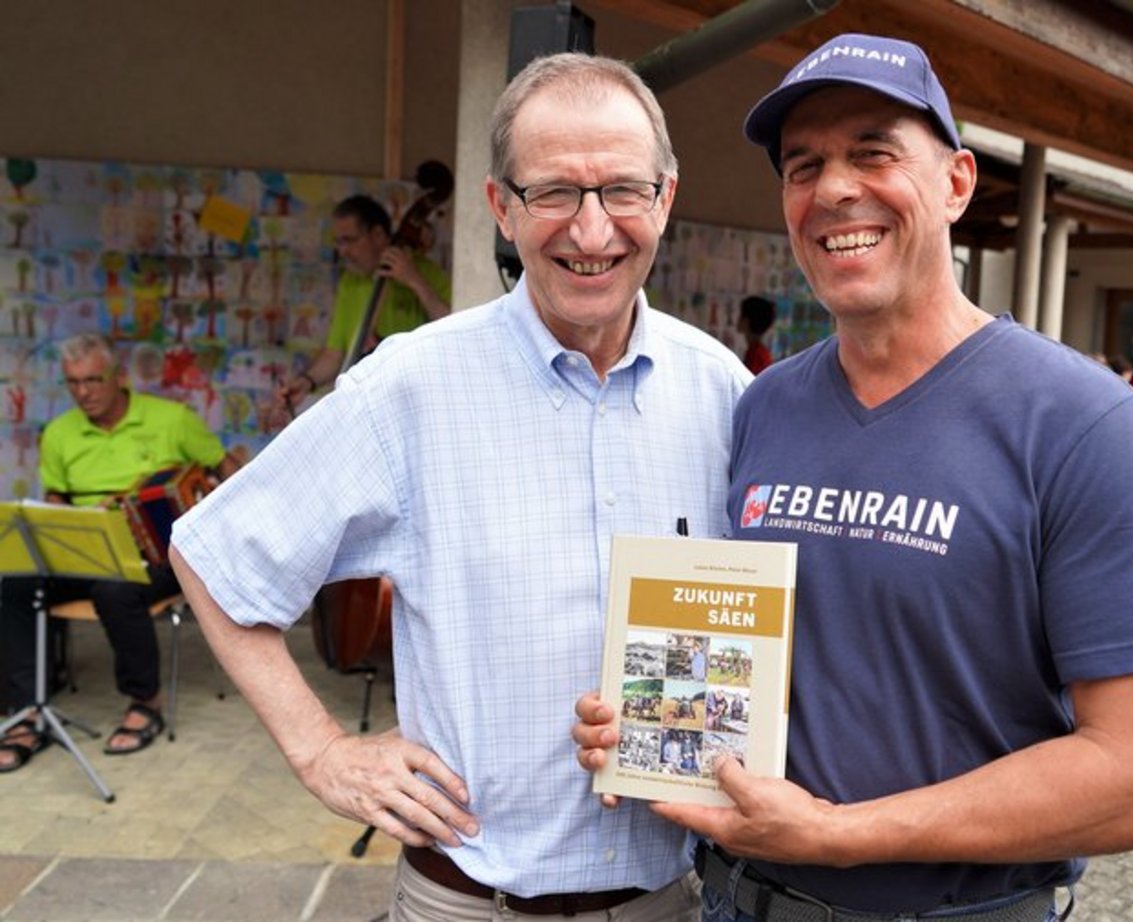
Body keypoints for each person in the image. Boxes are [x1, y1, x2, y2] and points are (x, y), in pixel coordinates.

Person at [576, 33, 1133, 921]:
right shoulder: (765, 406)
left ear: (956, 183)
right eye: (804, 166)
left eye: (873, 152)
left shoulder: (1082, 422)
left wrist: (841, 832)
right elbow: (769, 664)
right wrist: (655, 720)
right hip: (734, 902)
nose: (834, 188)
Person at [169, 52, 749, 921]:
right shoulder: (412, 386)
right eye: (553, 192)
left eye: (623, 191)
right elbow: (213, 555)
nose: (592, 232)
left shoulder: (725, 392)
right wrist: (322, 750)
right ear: (500, 209)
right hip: (468, 904)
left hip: (664, 901)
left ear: (665, 199)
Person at [0, 334, 241, 771]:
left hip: (159, 551)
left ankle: (144, 703)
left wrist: (210, 506)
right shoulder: (58, 433)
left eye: (93, 380)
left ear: (119, 377)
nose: (83, 392)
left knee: (115, 591)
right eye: (73, 383)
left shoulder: (172, 419)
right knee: (13, 584)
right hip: (86, 545)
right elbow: (56, 496)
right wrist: (67, 519)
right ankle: (26, 712)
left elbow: (228, 472)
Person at [276, 194, 451, 407]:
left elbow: (453, 330)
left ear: (377, 235)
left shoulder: (427, 273)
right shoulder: (350, 282)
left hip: (415, 402)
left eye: (349, 240)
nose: (343, 251)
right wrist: (306, 382)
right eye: (339, 242)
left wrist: (415, 281)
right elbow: (335, 353)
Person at [737, 295, 776, 374]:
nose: (737, 319)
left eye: (741, 315)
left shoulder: (756, 355)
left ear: (746, 321)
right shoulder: (758, 352)